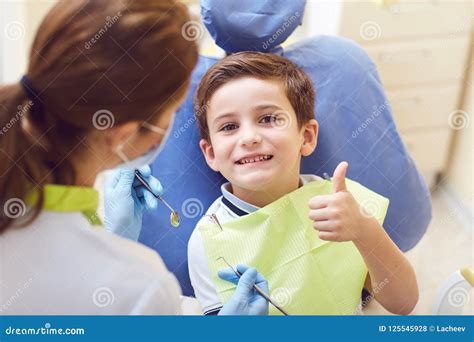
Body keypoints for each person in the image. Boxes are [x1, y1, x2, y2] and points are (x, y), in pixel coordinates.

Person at [0, 0, 268, 315]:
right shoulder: (140, 287)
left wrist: (108, 239)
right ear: (123, 135)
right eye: (173, 111)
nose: (250, 138)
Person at [188, 51, 419, 315]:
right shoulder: (207, 242)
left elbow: (404, 303)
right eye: (229, 126)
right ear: (211, 154)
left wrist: (366, 231)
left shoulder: (342, 206)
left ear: (306, 136)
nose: (249, 137)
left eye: (268, 119)